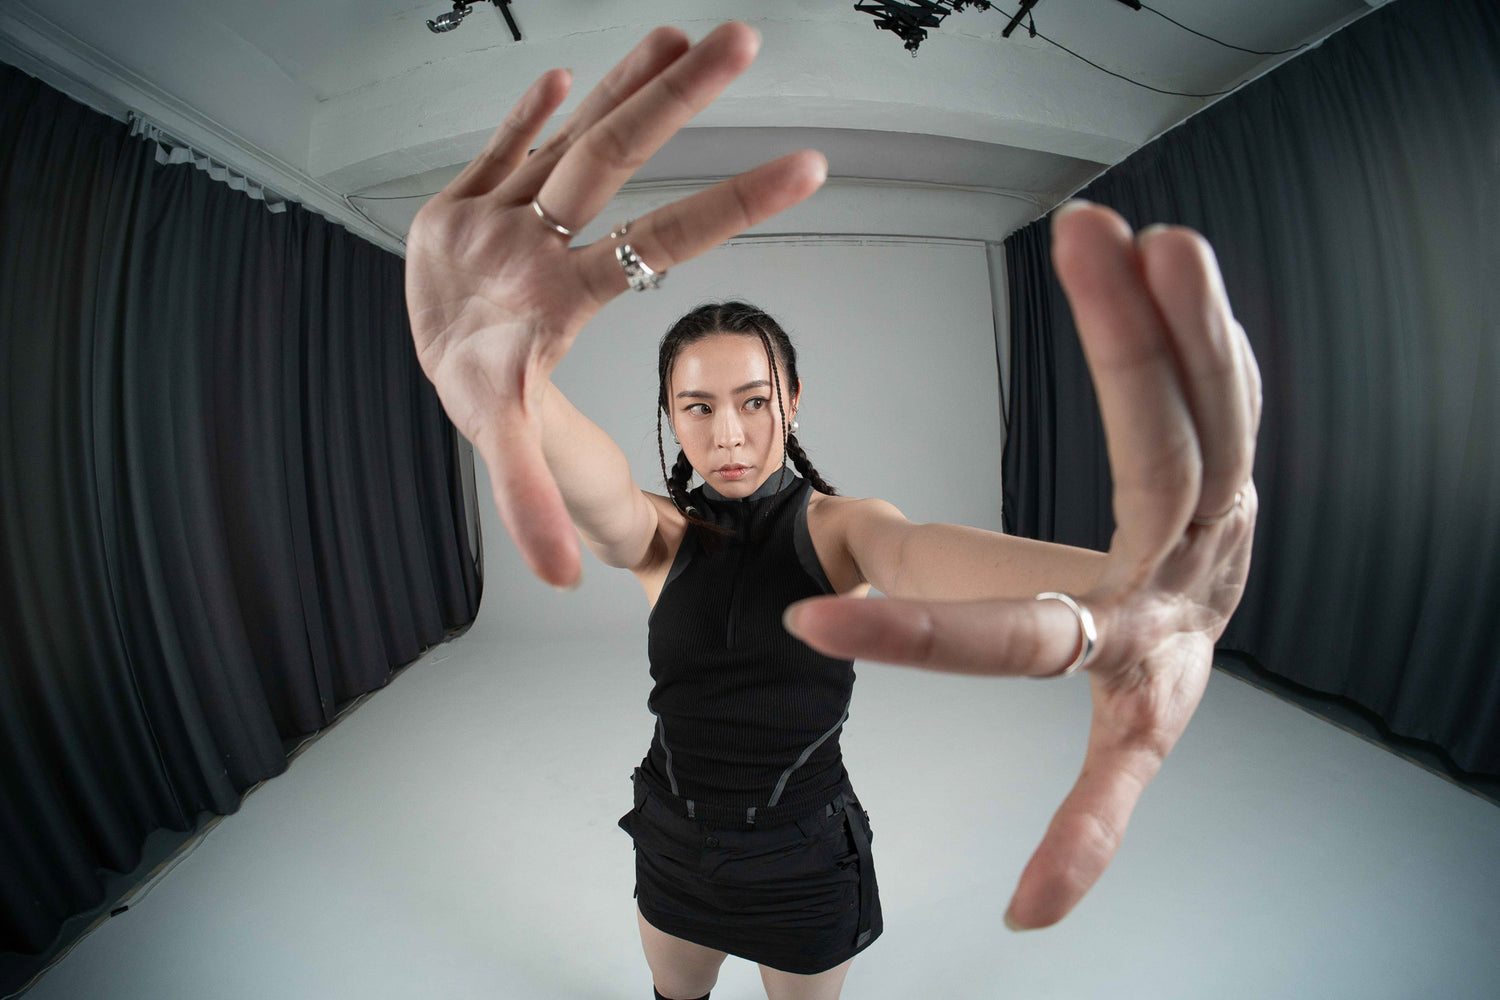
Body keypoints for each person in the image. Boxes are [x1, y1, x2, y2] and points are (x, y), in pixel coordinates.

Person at [404, 22, 1260, 1000]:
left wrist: (1124, 588)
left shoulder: (840, 530)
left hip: (804, 863)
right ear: (671, 418)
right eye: (698, 407)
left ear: (792, 400)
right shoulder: (660, 538)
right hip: (672, 846)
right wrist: (515, 385)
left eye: (752, 400)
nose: (729, 434)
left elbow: (920, 552)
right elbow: (594, 486)